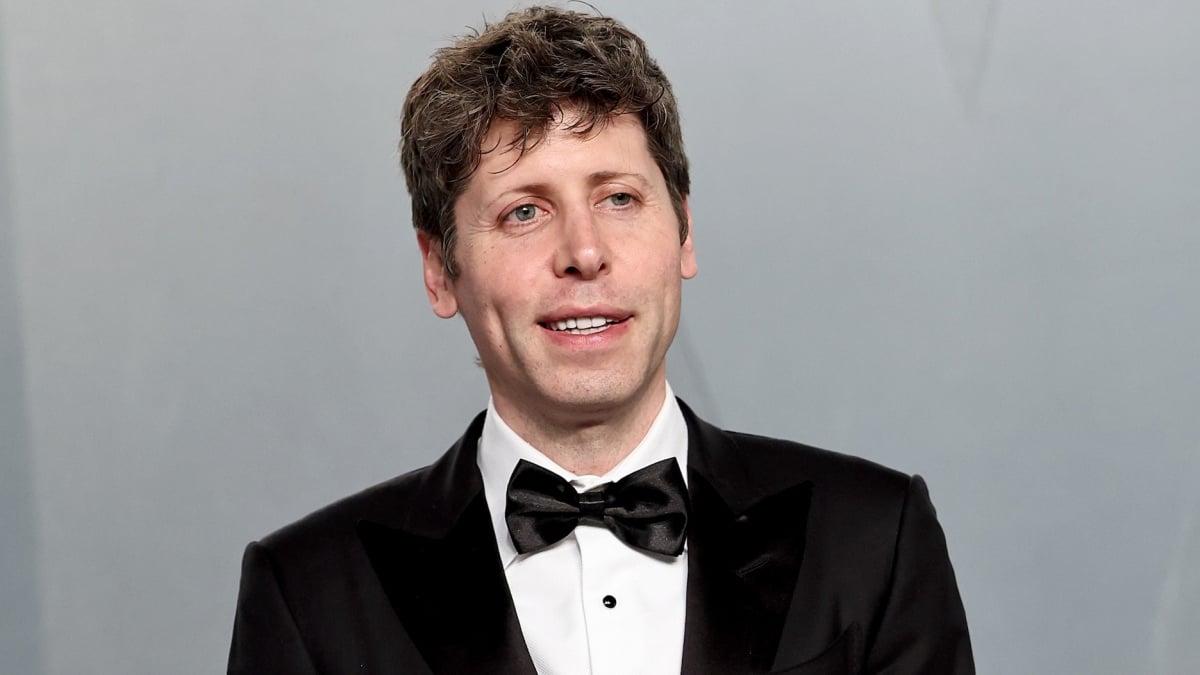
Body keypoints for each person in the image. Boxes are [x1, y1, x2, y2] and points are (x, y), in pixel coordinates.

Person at [227, 6, 973, 674]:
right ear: (439, 270)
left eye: (619, 198)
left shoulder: (876, 539)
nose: (584, 253)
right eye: (524, 212)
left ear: (683, 231)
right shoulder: (308, 594)